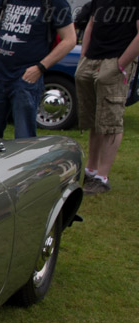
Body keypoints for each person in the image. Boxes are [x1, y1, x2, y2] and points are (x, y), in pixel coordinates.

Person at [0, 0, 75, 139]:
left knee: (24, 138)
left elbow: (70, 39)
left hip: (26, 80)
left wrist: (40, 68)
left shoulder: (54, 2)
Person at [74, 0, 139, 194]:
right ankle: (91, 171)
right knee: (95, 117)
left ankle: (102, 178)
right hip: (93, 58)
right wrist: (84, 54)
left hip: (116, 59)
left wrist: (121, 64)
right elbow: (91, 24)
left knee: (111, 120)